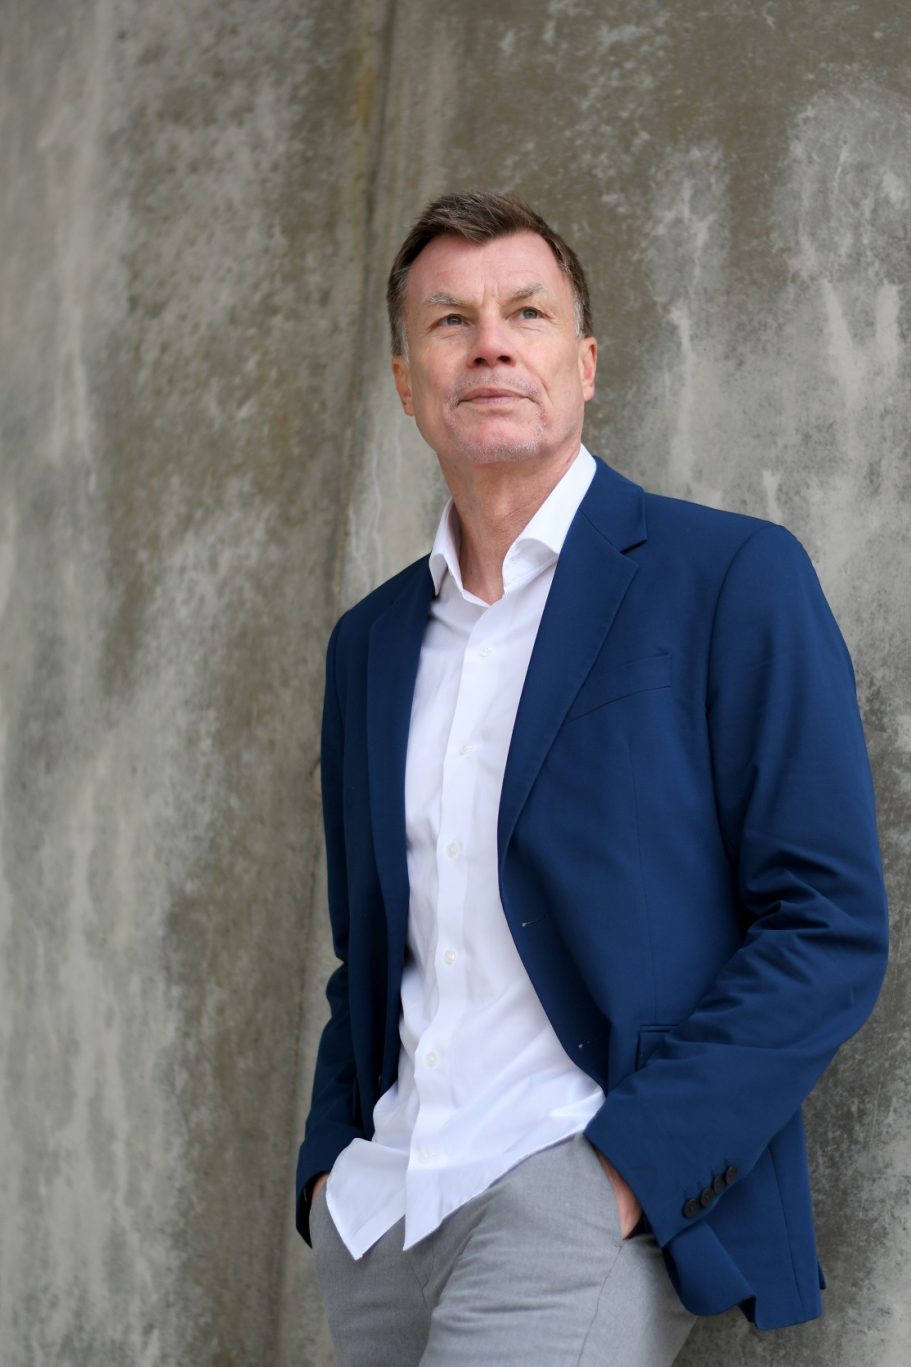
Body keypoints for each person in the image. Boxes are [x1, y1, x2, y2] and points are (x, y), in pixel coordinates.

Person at [296, 191, 888, 1366]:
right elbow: (371, 953)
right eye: (449, 320)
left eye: (526, 312)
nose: (490, 344)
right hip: (378, 1217)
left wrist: (624, 1171)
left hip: (566, 1196)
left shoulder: (727, 577)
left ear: (584, 362)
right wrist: (325, 1171)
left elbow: (826, 924)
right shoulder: (367, 644)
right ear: (407, 382)